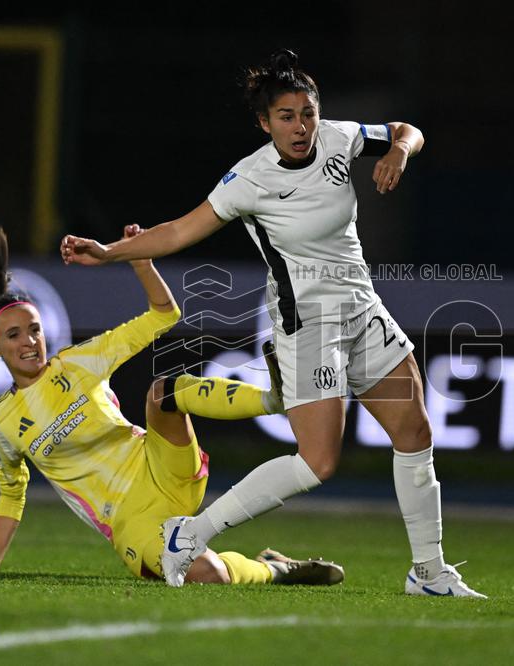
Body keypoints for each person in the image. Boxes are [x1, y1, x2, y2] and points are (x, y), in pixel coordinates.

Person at [60, 49, 484, 598]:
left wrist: (399, 149)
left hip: (361, 308)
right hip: (306, 323)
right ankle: (189, 535)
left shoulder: (338, 137)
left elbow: (408, 129)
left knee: (415, 430)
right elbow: (178, 231)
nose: (300, 126)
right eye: (286, 116)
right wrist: (109, 252)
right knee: (319, 461)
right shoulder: (249, 179)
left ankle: (428, 573)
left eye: (306, 112)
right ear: (265, 123)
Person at [0, 219, 343, 587]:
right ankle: (274, 568)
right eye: (14, 335)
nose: (29, 341)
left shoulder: (77, 362)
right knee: (208, 575)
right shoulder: (3, 422)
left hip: (161, 467)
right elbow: (11, 494)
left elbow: (164, 315)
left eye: (35, 329)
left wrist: (142, 264)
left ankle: (272, 399)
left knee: (161, 394)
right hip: (129, 522)